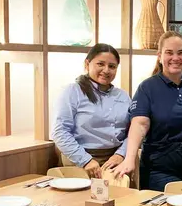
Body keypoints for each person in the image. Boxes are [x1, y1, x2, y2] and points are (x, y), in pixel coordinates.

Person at [109, 31, 182, 191]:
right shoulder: (147, 87)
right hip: (161, 164)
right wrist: (129, 158)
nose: (175, 58)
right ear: (159, 56)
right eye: (169, 53)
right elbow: (139, 124)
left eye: (180, 52)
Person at [51, 43, 131, 178]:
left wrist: (121, 154)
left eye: (112, 66)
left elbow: (134, 131)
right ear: (87, 64)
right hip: (79, 160)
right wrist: (86, 160)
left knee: (121, 198)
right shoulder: (72, 91)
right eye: (100, 64)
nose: (106, 70)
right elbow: (60, 132)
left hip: (115, 162)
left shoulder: (123, 96)